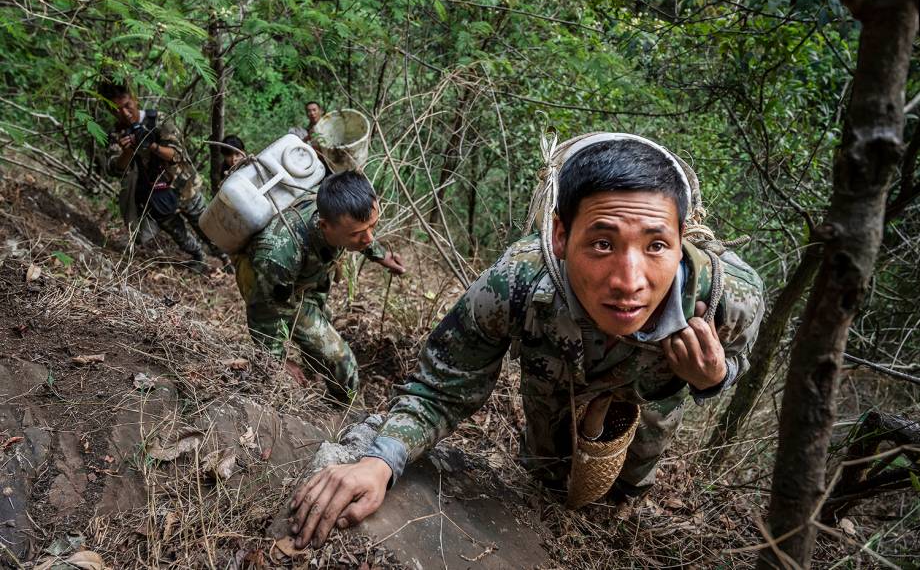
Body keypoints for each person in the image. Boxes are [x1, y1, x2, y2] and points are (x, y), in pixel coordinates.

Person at [287, 133, 766, 548]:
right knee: (543, 472)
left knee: (627, 488)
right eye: (602, 243)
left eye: (656, 245)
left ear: (683, 239)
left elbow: (736, 364)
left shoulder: (730, 298)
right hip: (553, 395)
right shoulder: (515, 283)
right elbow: (443, 386)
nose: (629, 280)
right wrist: (380, 460)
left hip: (649, 410)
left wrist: (713, 378)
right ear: (560, 235)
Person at [234, 170, 406, 401]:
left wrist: (381, 255)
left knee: (323, 319)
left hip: (308, 278)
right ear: (324, 226)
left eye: (373, 226)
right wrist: (277, 360)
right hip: (277, 288)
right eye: (357, 234)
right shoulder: (279, 255)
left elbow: (362, 232)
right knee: (343, 363)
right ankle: (343, 408)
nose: (368, 239)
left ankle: (315, 365)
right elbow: (265, 312)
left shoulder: (337, 211)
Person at [100, 83, 224, 271]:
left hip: (183, 186)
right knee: (179, 235)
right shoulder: (116, 134)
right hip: (154, 197)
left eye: (127, 106)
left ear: (134, 99)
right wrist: (127, 151)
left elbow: (176, 154)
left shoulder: (158, 120)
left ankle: (226, 258)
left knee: (206, 226)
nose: (124, 113)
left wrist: (150, 145)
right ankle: (199, 257)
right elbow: (114, 169)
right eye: (117, 110)